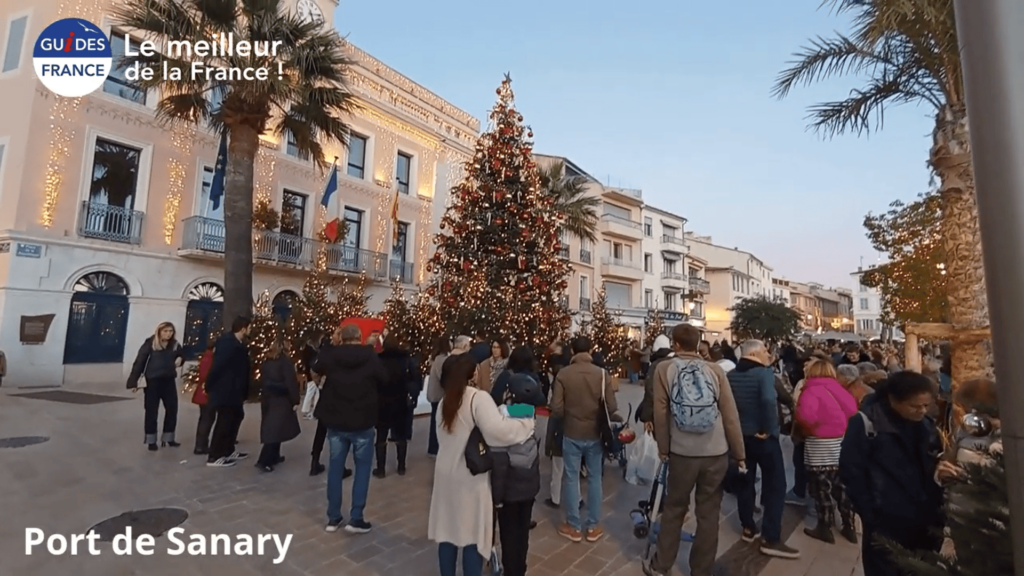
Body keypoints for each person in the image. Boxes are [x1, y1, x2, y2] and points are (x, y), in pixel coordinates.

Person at [643, 325, 745, 576]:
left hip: (682, 452)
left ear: (675, 344)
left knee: (675, 509)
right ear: (699, 343)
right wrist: (739, 452)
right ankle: (701, 569)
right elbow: (730, 415)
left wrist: (663, 448)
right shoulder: (715, 370)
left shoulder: (664, 369)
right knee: (709, 514)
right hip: (716, 451)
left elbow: (661, 411)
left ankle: (661, 565)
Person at [428, 354, 535, 576]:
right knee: (472, 535)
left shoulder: (445, 401)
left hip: (445, 474)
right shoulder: (477, 397)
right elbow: (499, 432)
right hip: (470, 477)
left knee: (447, 533)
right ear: (471, 373)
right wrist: (526, 422)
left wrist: (511, 411)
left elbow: (493, 416)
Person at [840, 371, 944, 576]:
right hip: (886, 521)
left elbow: (933, 463)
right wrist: (870, 514)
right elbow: (851, 471)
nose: (921, 411)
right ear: (893, 400)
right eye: (915, 406)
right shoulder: (867, 423)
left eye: (926, 405)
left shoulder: (927, 426)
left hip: (926, 520)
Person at [727, 339, 799, 559]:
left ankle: (748, 527)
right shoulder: (764, 374)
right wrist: (769, 428)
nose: (768, 353)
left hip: (741, 436)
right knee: (776, 484)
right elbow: (769, 400)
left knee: (745, 481)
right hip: (763, 437)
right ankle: (771, 537)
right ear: (756, 353)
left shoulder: (731, 375)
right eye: (765, 350)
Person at [314, 324, 388, 534]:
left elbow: (316, 364)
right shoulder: (370, 356)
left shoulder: (332, 355)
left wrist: (331, 343)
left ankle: (333, 517)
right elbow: (384, 379)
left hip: (336, 420)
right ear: (359, 337)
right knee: (362, 469)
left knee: (335, 468)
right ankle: (356, 517)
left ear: (342, 337)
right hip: (362, 419)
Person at [550, 336, 622, 543]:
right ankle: (593, 526)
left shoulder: (564, 374)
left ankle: (573, 526)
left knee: (571, 477)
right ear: (590, 350)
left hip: (571, 432)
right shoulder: (601, 374)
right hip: (595, 433)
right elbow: (611, 406)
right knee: (594, 478)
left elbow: (556, 407)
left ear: (572, 351)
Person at [794, 359, 858, 544]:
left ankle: (825, 527)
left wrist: (812, 428)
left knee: (821, 489)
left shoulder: (810, 390)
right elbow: (853, 411)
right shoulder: (839, 389)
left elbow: (805, 416)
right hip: (840, 445)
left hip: (818, 446)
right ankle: (849, 526)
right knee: (841, 488)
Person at [492, 373, 546, 576]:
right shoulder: (533, 416)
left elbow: (499, 463)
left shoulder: (501, 421)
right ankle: (520, 569)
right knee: (522, 533)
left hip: (508, 490)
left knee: (508, 533)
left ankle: (510, 570)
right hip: (529, 488)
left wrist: (496, 498)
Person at [127, 322, 185, 451]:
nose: (168, 334)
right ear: (159, 332)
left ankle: (168, 438)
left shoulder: (175, 345)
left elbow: (182, 355)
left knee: (172, 409)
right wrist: (133, 381)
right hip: (152, 381)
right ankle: (151, 441)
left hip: (169, 380)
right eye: (165, 331)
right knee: (151, 411)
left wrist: (180, 359)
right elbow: (139, 362)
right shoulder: (150, 343)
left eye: (170, 331)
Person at [204, 316, 252, 467]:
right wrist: (209, 385)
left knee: (236, 417)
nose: (250, 330)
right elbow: (218, 366)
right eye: (249, 327)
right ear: (243, 328)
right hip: (226, 389)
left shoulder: (237, 343)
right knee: (224, 421)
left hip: (235, 390)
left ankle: (228, 449)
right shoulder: (228, 343)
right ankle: (215, 455)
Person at [376, 335, 421, 477]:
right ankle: (401, 466)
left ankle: (381, 469)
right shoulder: (406, 360)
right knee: (401, 436)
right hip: (401, 401)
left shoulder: (379, 360)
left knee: (381, 438)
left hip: (382, 403)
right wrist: (413, 396)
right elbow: (416, 379)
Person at [256, 337, 301, 472]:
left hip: (268, 398)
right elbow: (291, 383)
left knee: (275, 428)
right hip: (281, 399)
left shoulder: (267, 362)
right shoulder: (285, 363)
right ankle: (265, 460)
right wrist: (295, 400)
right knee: (275, 430)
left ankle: (275, 455)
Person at [310, 330, 351, 479]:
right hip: (340, 397)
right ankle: (338, 467)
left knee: (321, 431)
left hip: (327, 396)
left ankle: (315, 461)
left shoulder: (326, 353)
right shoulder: (345, 354)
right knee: (339, 433)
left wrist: (320, 383)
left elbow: (314, 369)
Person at [638, 334, 673, 426]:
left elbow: (650, 391)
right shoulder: (676, 361)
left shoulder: (656, 364)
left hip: (659, 411)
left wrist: (647, 417)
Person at [426, 337, 451, 457]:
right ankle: (434, 447)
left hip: (434, 394)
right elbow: (443, 377)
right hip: (439, 395)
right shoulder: (442, 360)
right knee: (438, 421)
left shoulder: (436, 358)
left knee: (434, 420)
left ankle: (433, 447)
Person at [193, 341, 216, 455]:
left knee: (205, 418)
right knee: (207, 419)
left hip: (203, 393)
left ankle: (201, 445)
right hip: (206, 393)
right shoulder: (210, 358)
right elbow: (205, 376)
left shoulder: (207, 357)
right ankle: (200, 445)